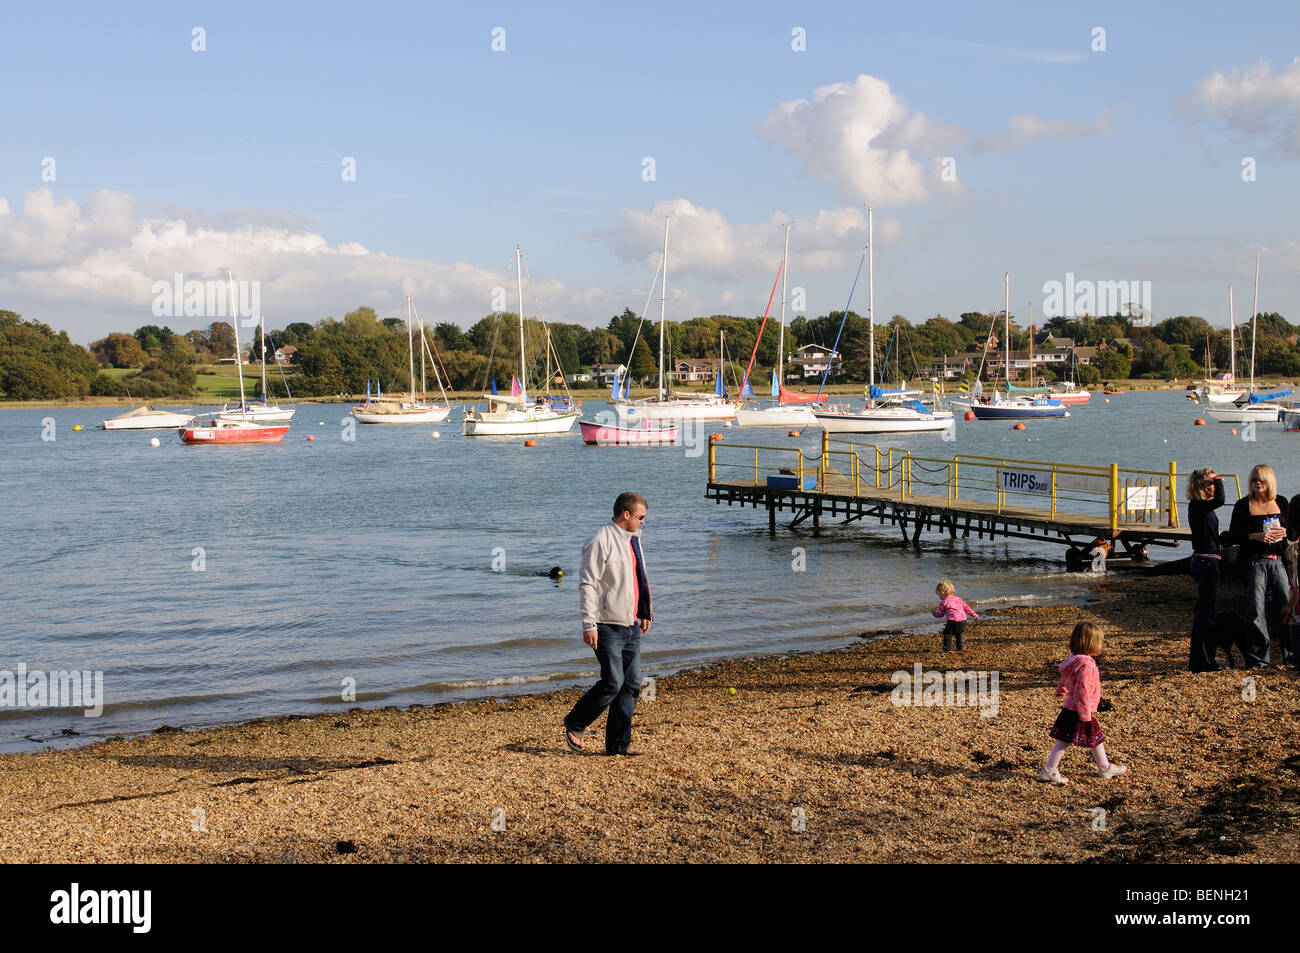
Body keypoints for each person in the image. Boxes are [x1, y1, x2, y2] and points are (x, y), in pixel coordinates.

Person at [563, 492, 652, 756]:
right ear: (626, 515)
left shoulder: (634, 540)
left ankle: (618, 745)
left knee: (632, 684)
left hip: (631, 625)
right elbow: (587, 583)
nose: (643, 522)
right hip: (605, 625)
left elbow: (638, 578)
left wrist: (645, 611)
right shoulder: (601, 540)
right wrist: (588, 624)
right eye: (640, 517)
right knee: (613, 682)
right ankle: (575, 723)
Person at [1038, 622, 1127, 784]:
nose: (1101, 646)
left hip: (1072, 707)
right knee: (1068, 740)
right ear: (1090, 643)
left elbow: (1066, 677)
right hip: (1079, 710)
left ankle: (1105, 767)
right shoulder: (1086, 664)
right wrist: (1085, 711)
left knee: (1091, 738)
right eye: (1100, 643)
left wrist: (1061, 690)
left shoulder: (1073, 660)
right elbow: (1083, 689)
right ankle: (1049, 770)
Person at [1228, 464, 1288, 668]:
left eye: (1261, 479)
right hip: (1253, 561)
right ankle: (1259, 659)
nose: (1257, 483)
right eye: (1254, 479)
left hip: (1277, 561)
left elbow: (1293, 530)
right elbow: (1231, 536)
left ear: (1269, 481)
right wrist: (1255, 536)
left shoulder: (1281, 502)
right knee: (1255, 610)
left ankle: (1290, 654)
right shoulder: (1243, 505)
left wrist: (1285, 533)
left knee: (1286, 606)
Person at [1186, 468, 1226, 672]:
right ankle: (1203, 661)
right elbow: (1221, 499)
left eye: (1214, 483)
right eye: (1210, 483)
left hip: (1208, 560)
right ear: (1201, 485)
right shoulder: (1197, 505)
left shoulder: (1203, 508)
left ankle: (1202, 660)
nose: (1214, 487)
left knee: (1206, 612)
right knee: (1205, 613)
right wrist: (1219, 481)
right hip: (1205, 562)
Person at [932, 579, 978, 652]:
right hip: (963, 620)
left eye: (939, 595)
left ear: (943, 592)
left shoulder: (944, 602)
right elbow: (966, 607)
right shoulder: (958, 599)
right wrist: (973, 613)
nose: (939, 597)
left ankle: (946, 648)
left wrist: (934, 613)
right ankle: (960, 648)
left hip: (952, 620)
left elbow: (940, 614)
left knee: (947, 633)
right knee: (958, 633)